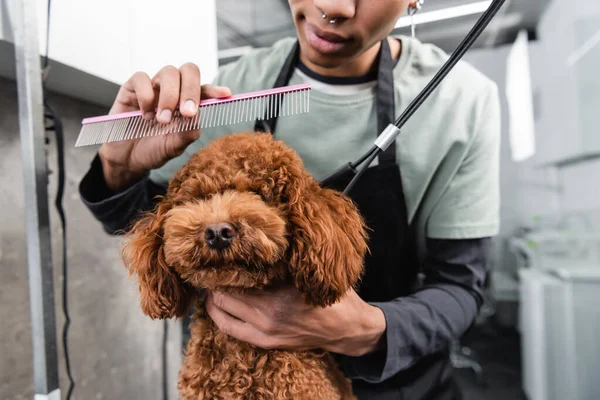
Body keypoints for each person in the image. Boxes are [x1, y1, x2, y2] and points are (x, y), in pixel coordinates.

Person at [79, 0, 500, 399]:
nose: (335, 7)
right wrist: (120, 169)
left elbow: (461, 287)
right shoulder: (225, 92)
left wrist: (367, 329)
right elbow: (159, 240)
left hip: (403, 387)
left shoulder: (461, 102)